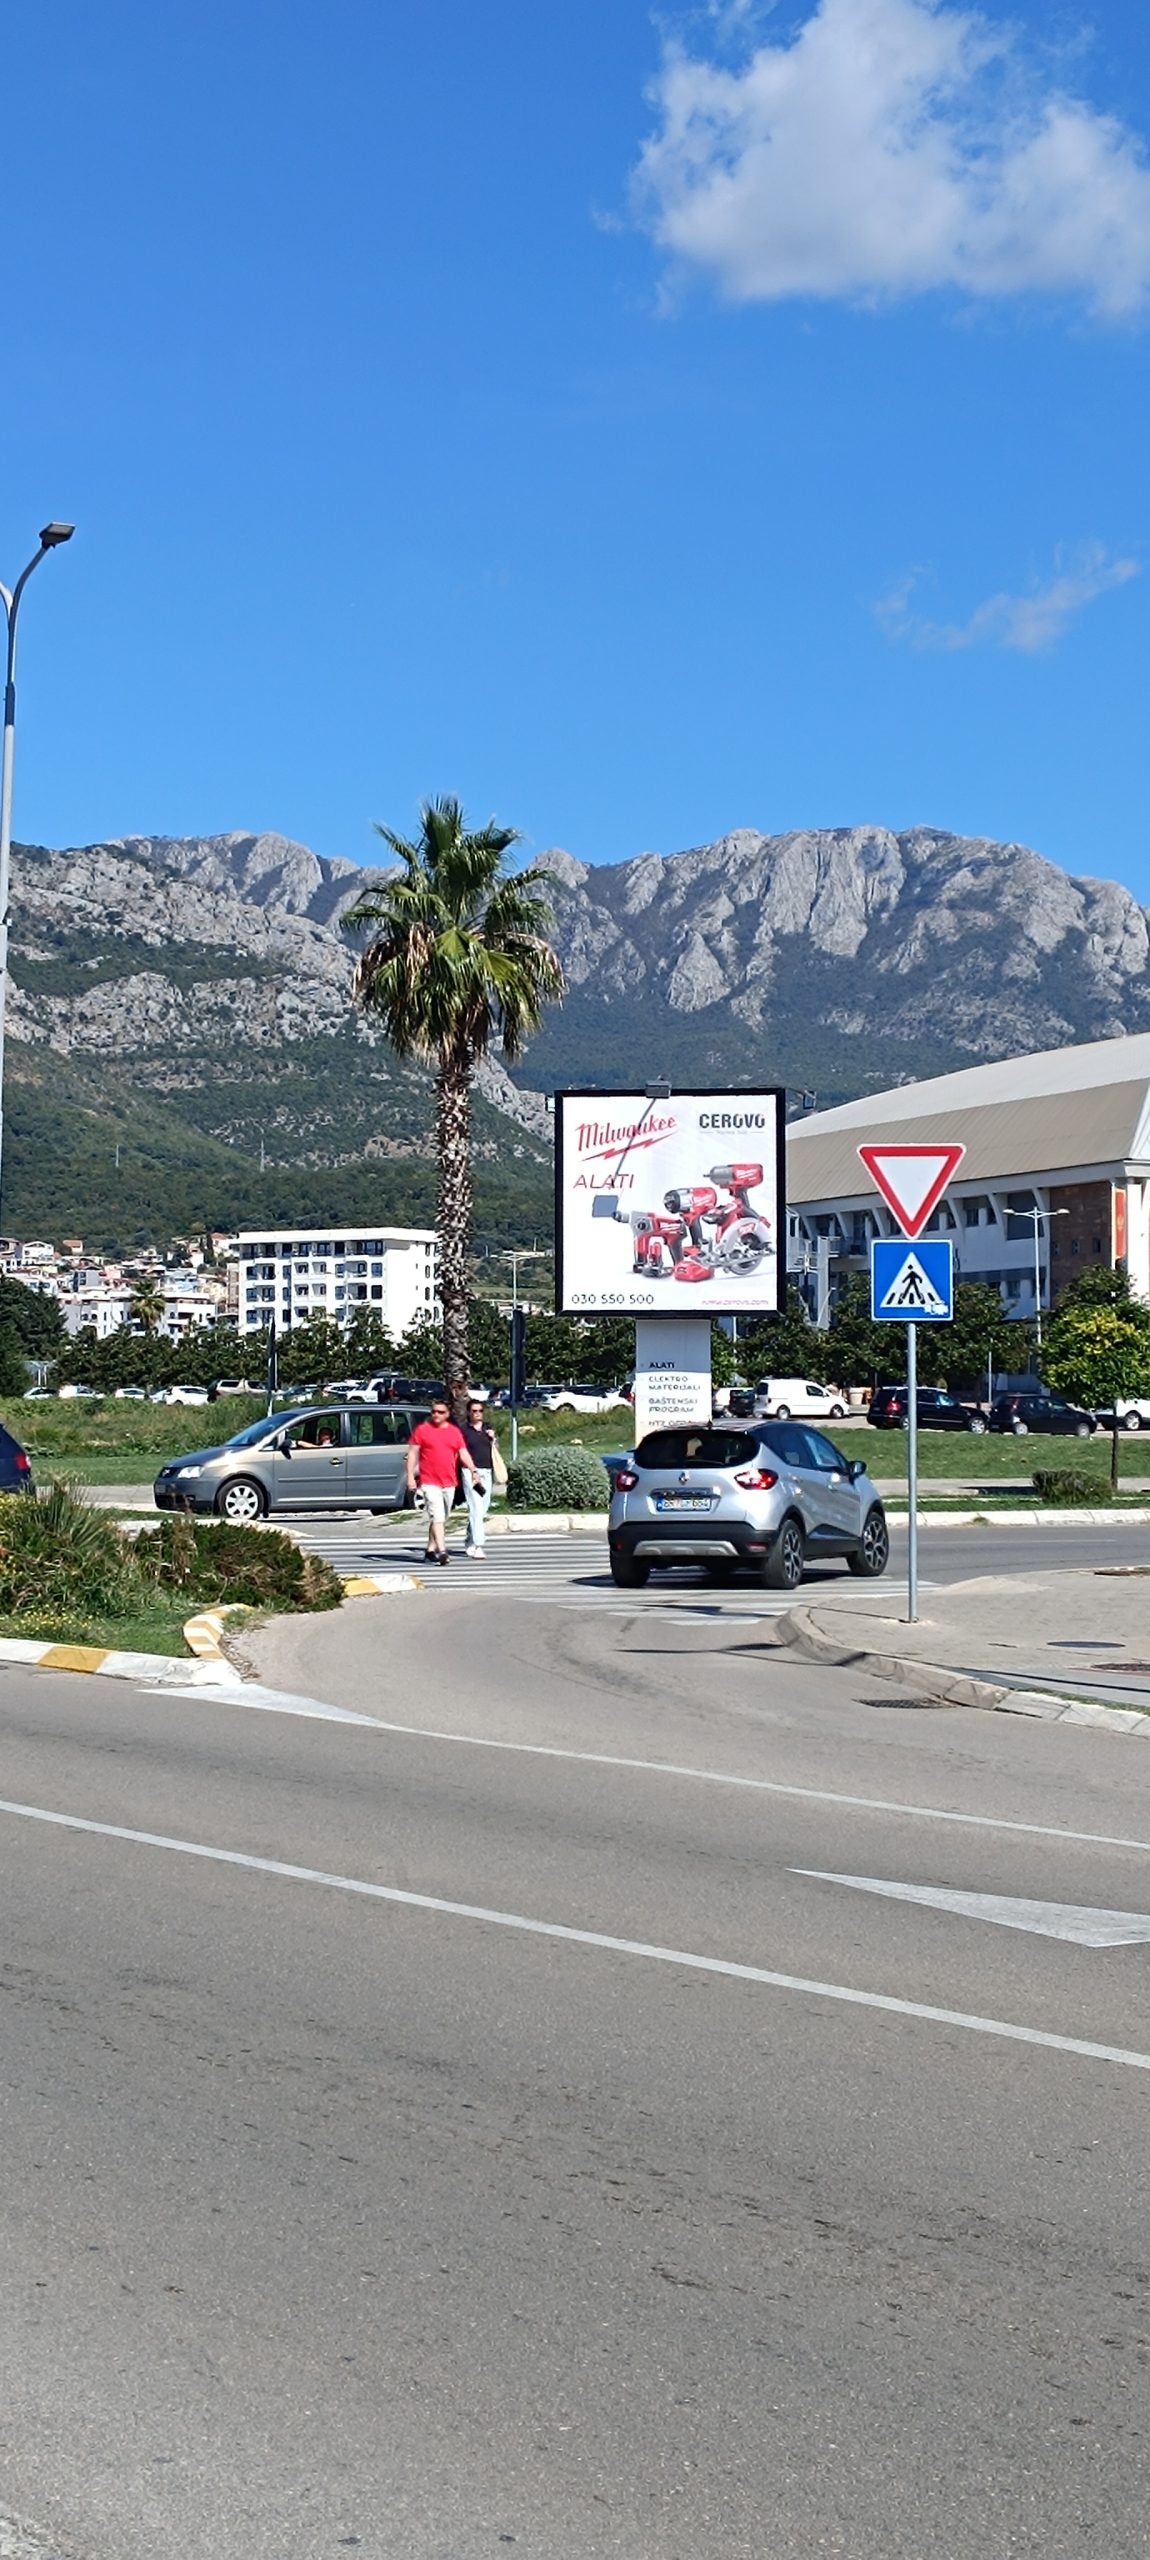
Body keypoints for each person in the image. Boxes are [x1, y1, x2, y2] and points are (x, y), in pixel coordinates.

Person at [406, 1397, 476, 1565]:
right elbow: (412, 1454)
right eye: (434, 1412)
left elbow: (463, 1453)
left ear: (447, 1414)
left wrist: (473, 1470)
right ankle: (442, 1551)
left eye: (440, 1412)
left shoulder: (454, 1432)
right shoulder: (422, 1430)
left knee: (441, 1518)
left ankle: (430, 1550)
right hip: (429, 1481)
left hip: (449, 1482)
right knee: (437, 1516)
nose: (436, 1415)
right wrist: (410, 1477)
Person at [458, 1398, 499, 1558]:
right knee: (475, 1506)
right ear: (469, 1412)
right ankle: (478, 1545)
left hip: (487, 1471)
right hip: (471, 1472)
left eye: (480, 1411)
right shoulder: (464, 1430)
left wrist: (493, 1439)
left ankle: (470, 1538)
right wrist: (471, 1470)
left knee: (483, 1507)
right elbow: (460, 1452)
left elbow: (495, 1449)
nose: (477, 1414)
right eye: (474, 1411)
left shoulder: (488, 1428)